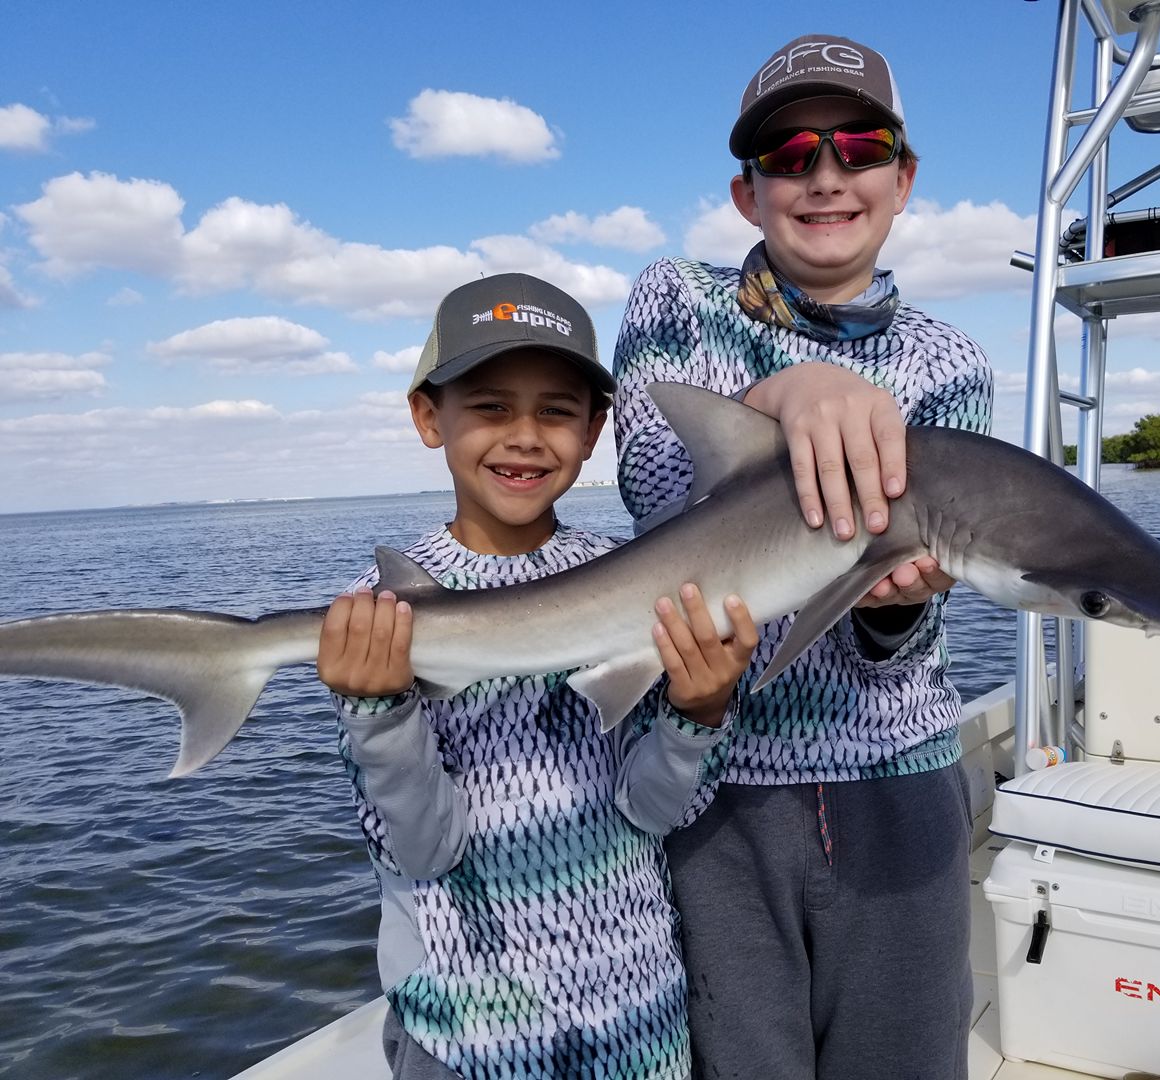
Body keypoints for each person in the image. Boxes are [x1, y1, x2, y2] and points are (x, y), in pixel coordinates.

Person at [612, 34, 994, 1080]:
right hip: (718, 792)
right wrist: (784, 394)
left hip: (895, 779)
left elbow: (907, 642)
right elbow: (656, 487)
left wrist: (890, 609)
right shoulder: (676, 300)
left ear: (903, 179)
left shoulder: (949, 364)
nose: (825, 174)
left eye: (859, 145)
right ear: (747, 194)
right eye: (788, 156)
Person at [316, 273, 759, 1080]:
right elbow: (425, 848)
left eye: (557, 410)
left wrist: (700, 712)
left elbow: (650, 812)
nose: (524, 435)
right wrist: (379, 716)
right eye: (489, 406)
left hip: (639, 1021)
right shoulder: (377, 617)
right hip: (468, 1042)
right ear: (428, 416)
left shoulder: (635, 579)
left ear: (595, 431)